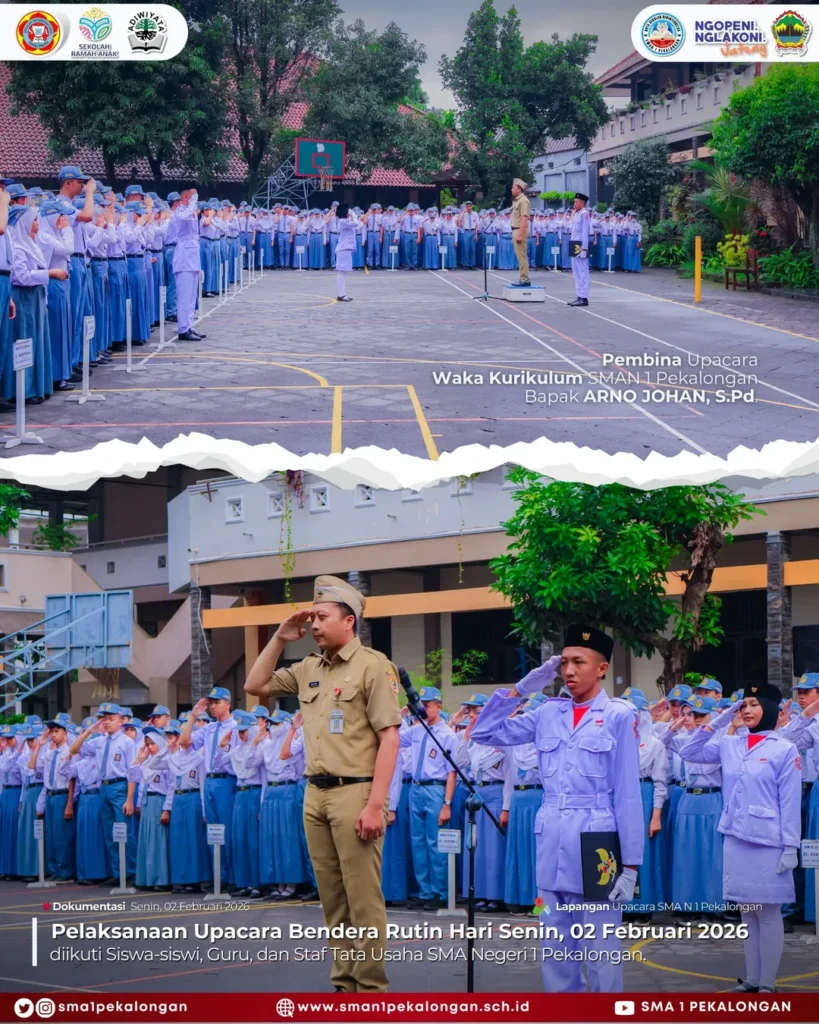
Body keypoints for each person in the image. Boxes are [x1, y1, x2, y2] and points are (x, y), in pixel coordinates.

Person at [244, 575, 401, 993]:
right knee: (332, 898)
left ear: (348, 621)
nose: (313, 624)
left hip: (356, 792)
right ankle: (343, 986)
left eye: (322, 616)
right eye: (311, 617)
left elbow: (390, 737)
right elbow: (255, 685)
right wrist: (279, 636)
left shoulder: (373, 665)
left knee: (362, 899)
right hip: (315, 793)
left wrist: (376, 804)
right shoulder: (308, 667)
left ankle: (370, 991)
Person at [470, 626, 644, 993]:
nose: (569, 670)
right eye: (564, 662)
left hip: (598, 837)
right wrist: (521, 689)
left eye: (579, 661)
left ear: (601, 668)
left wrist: (630, 865)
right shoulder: (547, 713)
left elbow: (628, 794)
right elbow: (483, 733)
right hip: (551, 834)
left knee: (600, 947)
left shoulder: (617, 715)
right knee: (555, 945)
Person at [680, 683, 814, 992]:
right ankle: (752, 978)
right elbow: (690, 751)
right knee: (747, 913)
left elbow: (790, 802)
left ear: (768, 708)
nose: (746, 711)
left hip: (769, 842)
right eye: (743, 706)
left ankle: (767, 982)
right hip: (736, 836)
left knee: (767, 913)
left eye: (753, 704)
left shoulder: (783, 748)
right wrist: (723, 717)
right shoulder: (731, 744)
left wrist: (790, 846)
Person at [662, 694, 725, 917]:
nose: (694, 720)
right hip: (689, 799)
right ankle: (686, 905)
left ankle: (711, 906)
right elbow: (661, 741)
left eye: (700, 715)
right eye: (690, 714)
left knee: (712, 856)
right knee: (685, 854)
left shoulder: (722, 740)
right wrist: (673, 725)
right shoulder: (683, 739)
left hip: (712, 798)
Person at [399, 687, 458, 911]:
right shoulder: (416, 731)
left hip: (435, 789)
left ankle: (440, 892)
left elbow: (452, 772)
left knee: (436, 843)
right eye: (420, 704)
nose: (422, 708)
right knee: (418, 843)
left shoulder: (447, 735)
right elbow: (392, 736)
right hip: (416, 789)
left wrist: (447, 803)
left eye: (427, 704)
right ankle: (424, 891)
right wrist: (403, 713)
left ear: (438, 706)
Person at [69, 702, 137, 884]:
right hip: (103, 787)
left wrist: (130, 799)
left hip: (120, 786)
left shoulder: (127, 742)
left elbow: (133, 772)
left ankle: (131, 871)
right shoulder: (98, 742)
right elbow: (74, 749)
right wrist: (89, 731)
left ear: (121, 721)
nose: (106, 723)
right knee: (110, 832)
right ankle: (117, 872)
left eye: (111, 719)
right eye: (104, 719)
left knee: (125, 830)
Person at [178, 686, 238, 891]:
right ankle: (218, 876)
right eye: (211, 703)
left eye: (217, 702)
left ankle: (232, 877)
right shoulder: (209, 728)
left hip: (227, 780)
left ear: (228, 703)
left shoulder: (236, 726)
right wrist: (193, 717)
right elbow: (184, 742)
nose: (212, 706)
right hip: (210, 780)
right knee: (213, 831)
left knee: (228, 830)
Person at [6, 204, 64, 405]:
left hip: (35, 297)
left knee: (37, 339)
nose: (37, 225)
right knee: (25, 340)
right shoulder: (17, 247)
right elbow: (20, 277)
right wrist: (50, 274)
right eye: (34, 220)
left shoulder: (31, 244)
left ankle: (38, 386)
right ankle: (24, 389)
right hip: (24, 298)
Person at [623, 691, 667, 919]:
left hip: (644, 794)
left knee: (643, 852)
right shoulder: (615, 741)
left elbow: (660, 783)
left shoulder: (654, 745)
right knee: (620, 850)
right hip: (620, 796)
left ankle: (643, 906)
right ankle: (623, 903)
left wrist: (656, 815)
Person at [166, 720, 210, 895]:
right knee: (178, 841)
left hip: (193, 798)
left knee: (193, 840)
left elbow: (202, 785)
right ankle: (180, 879)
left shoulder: (198, 758)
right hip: (178, 799)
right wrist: (168, 749)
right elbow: (153, 764)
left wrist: (204, 811)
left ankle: (194, 880)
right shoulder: (174, 758)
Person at [131, 725, 173, 892]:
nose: (149, 747)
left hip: (158, 803)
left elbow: (171, 787)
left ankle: (161, 879)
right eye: (147, 744)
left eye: (152, 744)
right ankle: (146, 878)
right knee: (147, 841)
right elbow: (133, 777)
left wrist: (167, 809)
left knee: (158, 842)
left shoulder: (166, 762)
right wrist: (139, 759)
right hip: (147, 804)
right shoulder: (147, 762)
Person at [228, 712, 264, 900]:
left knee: (253, 841)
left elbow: (253, 766)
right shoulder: (235, 750)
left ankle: (257, 883)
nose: (241, 735)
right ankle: (243, 882)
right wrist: (223, 743)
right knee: (240, 839)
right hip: (240, 794)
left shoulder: (259, 748)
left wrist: (255, 743)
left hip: (254, 792)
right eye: (239, 732)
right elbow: (217, 762)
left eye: (244, 731)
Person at [36, 715, 76, 882]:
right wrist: (41, 743)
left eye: (56, 731)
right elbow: (34, 765)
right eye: (51, 731)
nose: (53, 734)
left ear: (65, 733)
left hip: (62, 795)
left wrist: (69, 804)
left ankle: (65, 871)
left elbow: (72, 779)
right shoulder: (49, 753)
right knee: (51, 835)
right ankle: (54, 871)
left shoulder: (70, 751)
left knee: (63, 836)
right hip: (50, 795)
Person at [172, 188, 207, 343]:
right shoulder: (180, 211)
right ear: (185, 197)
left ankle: (188, 326)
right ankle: (183, 329)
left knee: (192, 296)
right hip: (184, 260)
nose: (196, 199)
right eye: (193, 196)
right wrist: (192, 203)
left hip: (192, 260)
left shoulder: (190, 212)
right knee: (184, 297)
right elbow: (184, 218)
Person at [567, 193, 591, 308]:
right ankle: (579, 296)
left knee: (582, 271)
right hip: (574, 243)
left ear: (582, 203)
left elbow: (585, 232)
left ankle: (584, 297)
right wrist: (572, 214)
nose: (574, 203)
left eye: (576, 202)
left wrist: (584, 249)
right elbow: (569, 226)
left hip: (580, 244)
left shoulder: (585, 214)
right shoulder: (576, 213)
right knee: (576, 271)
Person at [334, 206, 358, 303]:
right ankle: (341, 295)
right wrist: (354, 215)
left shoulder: (345, 221)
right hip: (343, 249)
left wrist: (352, 216)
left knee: (343, 273)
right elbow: (356, 223)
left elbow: (358, 224)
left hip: (345, 249)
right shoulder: (343, 221)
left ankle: (342, 294)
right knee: (342, 272)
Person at [510, 178, 531, 286]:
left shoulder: (523, 201)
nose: (511, 189)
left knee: (522, 256)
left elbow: (524, 218)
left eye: (513, 187)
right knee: (520, 256)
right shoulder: (518, 200)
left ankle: (525, 279)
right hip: (515, 230)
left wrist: (520, 234)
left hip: (519, 231)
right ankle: (523, 278)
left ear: (519, 189)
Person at [458, 202, 479, 269]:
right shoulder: (464, 214)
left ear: (471, 206)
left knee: (472, 248)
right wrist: (464, 211)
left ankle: (472, 264)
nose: (468, 207)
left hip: (472, 231)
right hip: (466, 231)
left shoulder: (475, 214)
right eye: (467, 206)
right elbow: (459, 220)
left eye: (469, 206)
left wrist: (476, 235)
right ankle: (466, 264)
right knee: (466, 248)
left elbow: (476, 225)